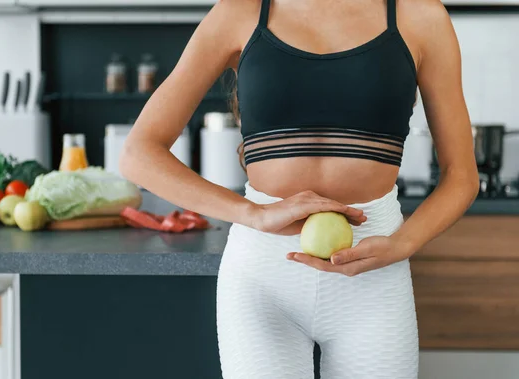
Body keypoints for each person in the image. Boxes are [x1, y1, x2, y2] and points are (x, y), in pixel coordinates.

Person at [120, 0, 478, 377]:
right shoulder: (240, 11)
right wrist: (251, 213)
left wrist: (403, 243)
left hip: (374, 272)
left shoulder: (419, 14)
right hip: (264, 276)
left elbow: (462, 176)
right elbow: (139, 153)